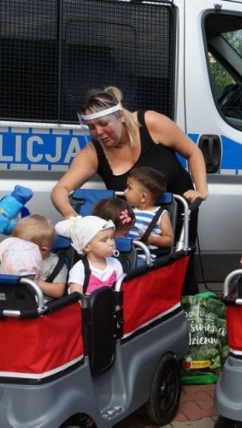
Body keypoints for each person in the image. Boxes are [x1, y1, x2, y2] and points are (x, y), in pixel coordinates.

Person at [50, 86, 207, 295]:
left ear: (120, 116)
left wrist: (201, 190)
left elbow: (193, 152)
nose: (98, 132)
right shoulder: (93, 153)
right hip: (136, 223)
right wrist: (71, 215)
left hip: (178, 211)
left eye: (103, 123)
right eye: (91, 127)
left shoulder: (150, 123)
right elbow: (61, 189)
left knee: (181, 268)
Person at [55, 216, 123, 295]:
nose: (111, 243)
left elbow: (121, 291)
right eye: (104, 240)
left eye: (111, 238)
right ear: (87, 246)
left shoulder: (116, 264)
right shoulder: (79, 269)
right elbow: (76, 299)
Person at [13, 214, 68, 299]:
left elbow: (59, 292)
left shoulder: (55, 264)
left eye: (24, 247)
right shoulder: (13, 257)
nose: (18, 249)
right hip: (16, 299)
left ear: (43, 250)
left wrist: (36, 281)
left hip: (42, 305)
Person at [124, 166, 174, 254]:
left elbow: (169, 240)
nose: (125, 191)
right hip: (123, 253)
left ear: (143, 197)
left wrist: (153, 240)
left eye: (129, 188)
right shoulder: (127, 209)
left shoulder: (160, 214)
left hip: (144, 256)